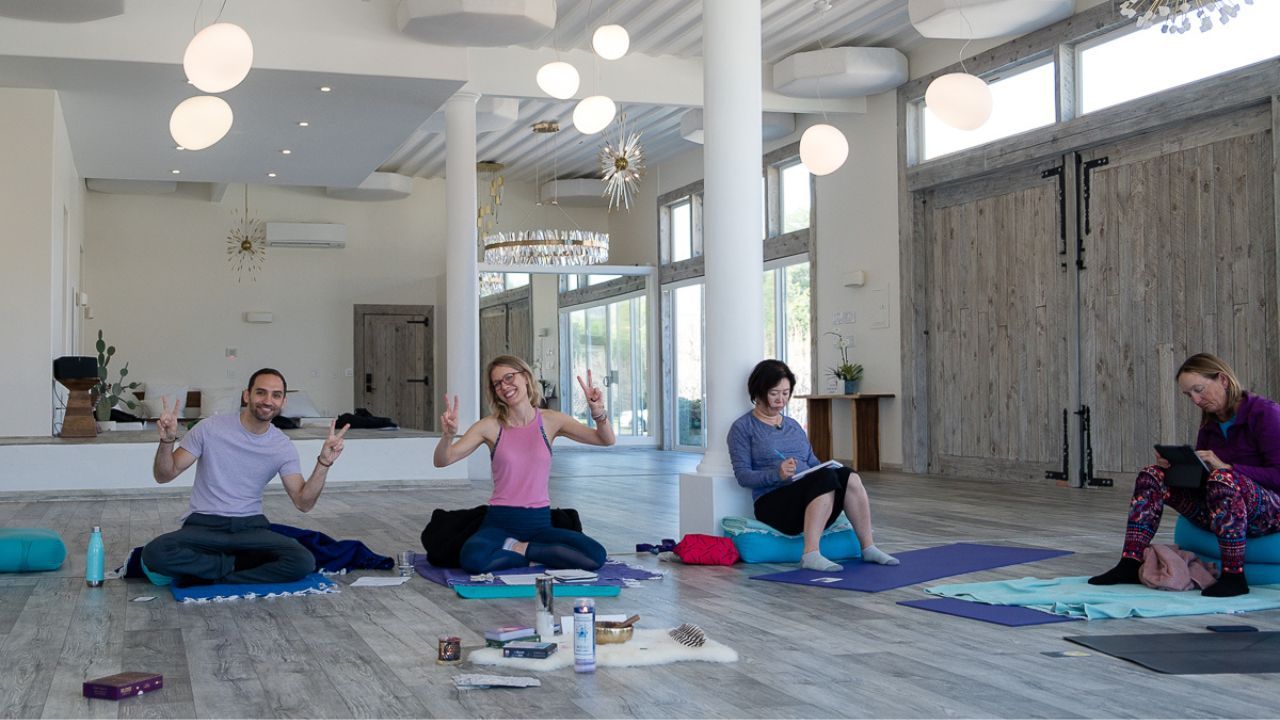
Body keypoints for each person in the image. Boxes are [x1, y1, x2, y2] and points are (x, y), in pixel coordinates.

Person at [1090, 353, 1280, 597]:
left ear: (1223, 380)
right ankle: (1130, 562)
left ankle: (1234, 577)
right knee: (1152, 475)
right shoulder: (1210, 422)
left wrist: (1227, 468)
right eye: (1189, 395)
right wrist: (1178, 467)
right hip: (1222, 505)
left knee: (1223, 479)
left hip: (1269, 512)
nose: (1196, 400)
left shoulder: (1266, 413)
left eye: (1199, 390)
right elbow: (1205, 479)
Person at [141, 368, 349, 586]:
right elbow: (164, 475)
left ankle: (216, 573)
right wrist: (167, 441)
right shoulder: (209, 428)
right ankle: (235, 568)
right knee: (155, 552)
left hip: (250, 527)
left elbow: (303, 502)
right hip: (204, 525)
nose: (267, 400)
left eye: (276, 395)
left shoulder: (282, 446)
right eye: (261, 392)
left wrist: (324, 462)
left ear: (283, 402)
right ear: (247, 395)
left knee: (302, 561)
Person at [434, 355, 614, 573]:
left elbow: (605, 439)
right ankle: (536, 556)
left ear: (526, 377)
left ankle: (518, 549)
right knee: (473, 559)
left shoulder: (552, 420)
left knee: (595, 555)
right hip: (499, 524)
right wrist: (448, 436)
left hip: (539, 525)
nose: (504, 386)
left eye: (509, 377)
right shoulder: (489, 426)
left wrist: (598, 413)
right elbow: (443, 460)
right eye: (497, 383)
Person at [728, 359, 897, 571]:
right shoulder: (743, 428)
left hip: (808, 498)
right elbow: (743, 476)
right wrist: (777, 474)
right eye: (774, 393)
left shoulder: (793, 425)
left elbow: (813, 463)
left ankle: (868, 547)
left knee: (849, 476)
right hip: (773, 505)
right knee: (824, 479)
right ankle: (810, 554)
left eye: (785, 393)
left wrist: (828, 468)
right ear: (758, 392)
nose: (781, 399)